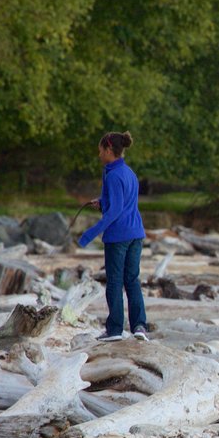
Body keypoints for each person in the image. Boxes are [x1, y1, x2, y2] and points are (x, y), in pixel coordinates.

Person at [78, 131, 149, 342]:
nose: (99, 154)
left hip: (119, 236)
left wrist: (90, 234)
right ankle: (139, 326)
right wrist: (102, 201)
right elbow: (124, 203)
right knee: (132, 280)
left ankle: (115, 330)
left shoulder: (114, 175)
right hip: (136, 233)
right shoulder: (129, 173)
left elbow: (116, 210)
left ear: (109, 150)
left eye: (100, 150)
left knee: (115, 282)